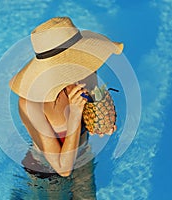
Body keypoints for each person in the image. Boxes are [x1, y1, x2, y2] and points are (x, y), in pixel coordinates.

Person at [9, 17, 123, 198]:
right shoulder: (31, 104)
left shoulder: (87, 72)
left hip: (83, 157)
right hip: (47, 172)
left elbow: (92, 108)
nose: (82, 67)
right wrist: (75, 115)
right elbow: (62, 168)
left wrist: (100, 123)